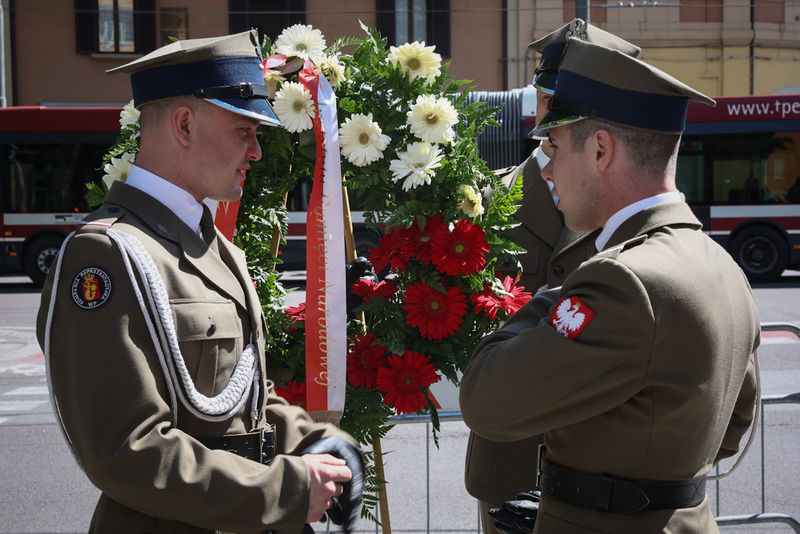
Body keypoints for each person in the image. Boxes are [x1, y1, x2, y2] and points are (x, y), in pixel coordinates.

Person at [37, 30, 363, 534]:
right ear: (184, 125)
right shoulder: (104, 254)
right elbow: (126, 450)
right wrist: (286, 489)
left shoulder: (215, 247)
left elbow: (239, 398)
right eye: (243, 132)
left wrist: (309, 438)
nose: (255, 151)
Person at [459, 36, 760, 534]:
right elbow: (729, 429)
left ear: (600, 150)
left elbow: (486, 401)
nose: (548, 168)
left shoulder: (620, 277)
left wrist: (556, 295)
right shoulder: (720, 264)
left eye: (553, 147)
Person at [465, 20, 639, 534]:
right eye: (550, 94)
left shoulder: (635, 202)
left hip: (612, 461)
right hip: (514, 456)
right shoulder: (488, 199)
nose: (556, 111)